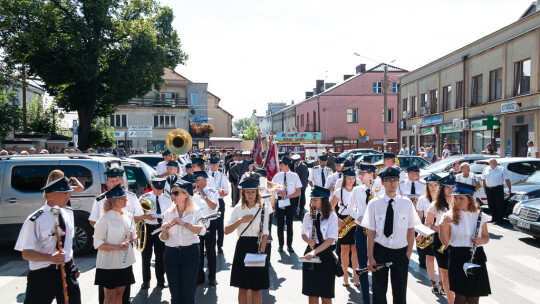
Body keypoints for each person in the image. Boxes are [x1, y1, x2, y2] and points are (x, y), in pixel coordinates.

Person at [15, 176, 81, 304]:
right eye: (65, 194)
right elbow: (26, 253)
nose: (69, 197)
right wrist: (50, 257)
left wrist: (72, 265)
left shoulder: (68, 213)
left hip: (67, 271)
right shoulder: (35, 220)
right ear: (50, 196)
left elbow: (68, 244)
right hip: (43, 274)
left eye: (69, 193)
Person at [361, 167, 421, 304]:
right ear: (382, 183)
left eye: (395, 180)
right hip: (380, 250)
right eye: (388, 180)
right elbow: (371, 232)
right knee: (379, 293)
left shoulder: (406, 203)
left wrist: (408, 254)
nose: (392, 184)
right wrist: (370, 257)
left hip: (400, 252)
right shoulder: (374, 204)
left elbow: (411, 230)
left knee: (400, 294)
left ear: (399, 182)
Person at [439, 182, 491, 304]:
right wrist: (442, 225)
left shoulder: (479, 215)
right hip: (457, 256)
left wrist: (480, 240)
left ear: (469, 199)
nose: (458, 201)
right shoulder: (449, 215)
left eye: (461, 198)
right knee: (460, 297)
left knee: (474, 297)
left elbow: (486, 237)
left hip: (475, 256)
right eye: (455, 198)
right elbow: (445, 241)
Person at [225, 177, 272, 304]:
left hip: (257, 247)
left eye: (253, 192)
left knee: (256, 288)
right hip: (242, 246)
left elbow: (265, 234)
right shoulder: (238, 209)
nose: (250, 195)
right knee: (242, 287)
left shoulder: (263, 208)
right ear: (243, 193)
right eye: (247, 192)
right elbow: (226, 230)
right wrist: (240, 220)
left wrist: (261, 253)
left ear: (257, 193)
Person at [159, 180, 206, 304]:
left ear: (186, 194)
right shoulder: (169, 213)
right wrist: (165, 230)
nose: (173, 196)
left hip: (190, 252)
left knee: (189, 295)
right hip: (171, 253)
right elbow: (163, 238)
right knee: (175, 296)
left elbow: (202, 231)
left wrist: (184, 223)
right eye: (172, 193)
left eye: (176, 193)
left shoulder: (196, 211)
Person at [93, 185, 137, 304]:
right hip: (108, 264)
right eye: (122, 198)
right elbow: (97, 243)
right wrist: (117, 247)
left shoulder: (127, 215)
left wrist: (133, 238)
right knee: (110, 296)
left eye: (125, 197)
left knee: (120, 295)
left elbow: (134, 234)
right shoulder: (104, 220)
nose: (126, 199)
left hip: (124, 263)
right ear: (114, 201)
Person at [301, 186, 338, 303]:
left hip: (325, 253)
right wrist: (308, 240)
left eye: (315, 200)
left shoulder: (332, 216)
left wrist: (315, 251)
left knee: (326, 294)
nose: (312, 202)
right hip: (310, 252)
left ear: (324, 200)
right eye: (312, 200)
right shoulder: (308, 215)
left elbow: (331, 239)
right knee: (311, 294)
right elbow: (303, 234)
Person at [348, 164, 376, 304]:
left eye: (362, 173)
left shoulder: (379, 189)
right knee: (363, 266)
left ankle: (378, 297)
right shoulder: (357, 190)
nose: (359, 176)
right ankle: (365, 298)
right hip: (361, 230)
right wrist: (358, 216)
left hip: (376, 232)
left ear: (371, 175)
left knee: (376, 264)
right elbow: (350, 207)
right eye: (359, 173)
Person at [138, 178, 172, 289]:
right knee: (146, 256)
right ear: (152, 186)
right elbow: (138, 214)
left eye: (161, 188)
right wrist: (144, 215)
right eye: (156, 188)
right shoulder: (144, 198)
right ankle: (146, 281)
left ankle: (161, 280)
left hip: (160, 228)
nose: (159, 191)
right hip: (147, 228)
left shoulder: (167, 198)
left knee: (160, 256)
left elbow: (170, 214)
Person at [427, 175, 455, 303]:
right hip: (440, 240)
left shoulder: (460, 202)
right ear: (442, 189)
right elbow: (428, 224)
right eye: (448, 187)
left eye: (453, 187)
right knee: (445, 273)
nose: (451, 190)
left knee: (457, 273)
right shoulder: (435, 205)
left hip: (457, 241)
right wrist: (441, 228)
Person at [330, 169, 360, 287]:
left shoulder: (358, 191)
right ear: (345, 179)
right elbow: (331, 207)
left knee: (355, 250)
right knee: (344, 250)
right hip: (343, 220)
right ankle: (345, 275)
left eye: (353, 178)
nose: (351, 180)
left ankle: (355, 275)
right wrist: (337, 218)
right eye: (349, 178)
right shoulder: (339, 192)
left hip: (355, 220)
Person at [192, 170, 220, 286]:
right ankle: (200, 276)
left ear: (203, 180)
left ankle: (212, 277)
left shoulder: (212, 192)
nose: (195, 182)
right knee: (198, 252)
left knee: (210, 252)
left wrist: (203, 194)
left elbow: (213, 206)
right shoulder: (193, 193)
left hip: (210, 224)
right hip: (198, 224)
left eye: (197, 180)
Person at [416, 173, 442, 294]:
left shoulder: (444, 199)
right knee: (429, 257)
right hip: (428, 229)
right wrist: (420, 232)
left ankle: (442, 283)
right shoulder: (423, 199)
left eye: (435, 185)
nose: (433, 187)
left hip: (442, 230)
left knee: (442, 259)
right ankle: (434, 283)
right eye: (430, 185)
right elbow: (419, 217)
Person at [273, 156, 302, 253]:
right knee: (280, 225)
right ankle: (281, 245)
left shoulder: (294, 176)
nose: (280, 167)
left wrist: (289, 196)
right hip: (280, 201)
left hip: (290, 202)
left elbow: (298, 192)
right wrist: (279, 193)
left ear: (287, 165)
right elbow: (272, 191)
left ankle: (289, 245)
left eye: (281, 165)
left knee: (290, 224)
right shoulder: (277, 176)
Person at [208, 156, 231, 254]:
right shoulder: (205, 175)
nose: (213, 166)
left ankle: (219, 245)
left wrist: (222, 192)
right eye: (212, 164)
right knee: (208, 223)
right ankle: (208, 246)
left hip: (219, 201)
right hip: (208, 202)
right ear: (209, 165)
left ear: (218, 165)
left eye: (215, 164)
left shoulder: (223, 176)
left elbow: (227, 191)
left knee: (219, 224)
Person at [481, 159, 511, 224]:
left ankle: (499, 219)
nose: (495, 163)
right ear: (490, 163)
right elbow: (483, 179)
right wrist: (484, 189)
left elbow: (507, 179)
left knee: (499, 204)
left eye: (495, 162)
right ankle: (493, 218)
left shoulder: (501, 169)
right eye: (493, 162)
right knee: (491, 204)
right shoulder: (486, 169)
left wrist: (509, 188)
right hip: (489, 188)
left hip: (498, 189)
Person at [293, 154, 310, 219]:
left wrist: (301, 187)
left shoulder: (303, 166)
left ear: (298, 160)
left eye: (295, 161)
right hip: (297, 185)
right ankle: (297, 210)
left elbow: (304, 177)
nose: (294, 162)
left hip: (301, 185)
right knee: (297, 198)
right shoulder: (296, 165)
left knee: (302, 198)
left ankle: (301, 211)